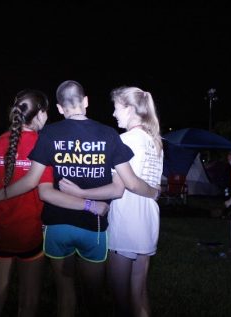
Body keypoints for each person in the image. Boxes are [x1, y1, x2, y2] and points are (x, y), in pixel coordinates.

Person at [0, 80, 159, 316]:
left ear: (59, 108)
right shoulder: (109, 135)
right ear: (86, 101)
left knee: (65, 293)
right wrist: (91, 202)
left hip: (57, 225)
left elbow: (37, 184)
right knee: (93, 296)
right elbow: (119, 188)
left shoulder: (48, 134)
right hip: (93, 228)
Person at [59, 86, 163, 316]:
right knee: (139, 293)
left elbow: (122, 187)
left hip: (128, 220)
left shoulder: (125, 139)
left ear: (130, 108)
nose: (114, 114)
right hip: (149, 220)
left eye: (116, 108)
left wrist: (79, 192)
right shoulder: (155, 141)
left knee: (120, 298)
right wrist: (155, 193)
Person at [0, 89, 53, 317]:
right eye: (46, 112)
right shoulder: (43, 145)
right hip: (30, 233)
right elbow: (44, 190)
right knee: (28, 302)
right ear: (40, 114)